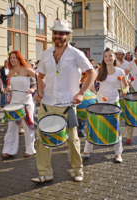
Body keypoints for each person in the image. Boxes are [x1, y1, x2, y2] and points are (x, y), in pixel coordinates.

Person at [32, 19, 96, 183]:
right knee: (42, 139)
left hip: (67, 105)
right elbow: (40, 76)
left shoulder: (76, 54)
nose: (57, 36)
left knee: (72, 139)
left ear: (67, 35)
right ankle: (45, 172)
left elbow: (92, 73)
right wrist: (39, 92)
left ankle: (77, 169)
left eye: (61, 33)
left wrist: (81, 93)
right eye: (55, 33)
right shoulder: (46, 53)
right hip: (46, 104)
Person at [81, 48, 129, 163]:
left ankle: (118, 153)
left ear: (114, 57)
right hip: (100, 101)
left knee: (115, 127)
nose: (108, 58)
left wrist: (125, 91)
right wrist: (91, 86)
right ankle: (87, 151)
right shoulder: (99, 70)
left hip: (114, 102)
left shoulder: (120, 72)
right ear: (103, 58)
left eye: (110, 56)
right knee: (93, 125)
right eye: (106, 56)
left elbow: (126, 86)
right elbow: (87, 79)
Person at [1, 51, 37, 158]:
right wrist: (7, 89)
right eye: (10, 58)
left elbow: (40, 79)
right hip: (14, 103)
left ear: (19, 59)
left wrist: (33, 89)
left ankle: (30, 150)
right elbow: (10, 85)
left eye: (14, 58)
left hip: (26, 102)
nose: (12, 60)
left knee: (27, 127)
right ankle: (8, 150)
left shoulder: (26, 70)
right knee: (11, 127)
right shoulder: (11, 72)